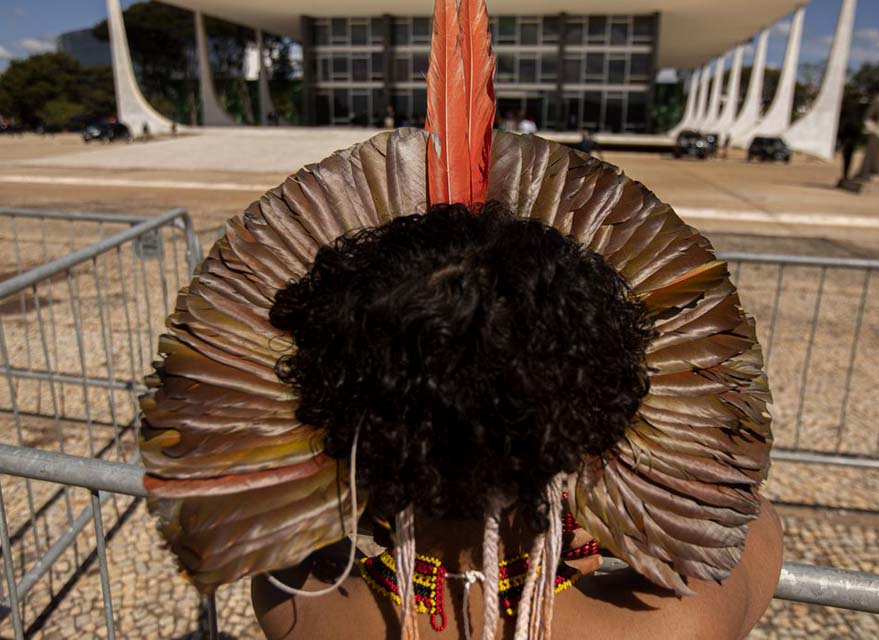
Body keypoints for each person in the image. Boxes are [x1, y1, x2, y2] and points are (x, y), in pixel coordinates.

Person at [138, 1, 778, 638]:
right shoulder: (679, 626)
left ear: (344, 417)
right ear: (593, 410)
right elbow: (754, 522)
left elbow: (289, 548)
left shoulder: (300, 612)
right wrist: (590, 502)